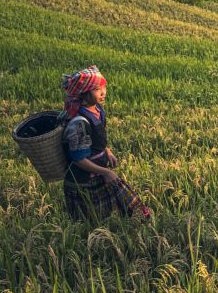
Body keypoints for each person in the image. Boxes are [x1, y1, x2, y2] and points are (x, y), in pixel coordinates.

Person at [59, 65, 153, 221]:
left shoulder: (97, 110)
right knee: (91, 220)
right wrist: (106, 172)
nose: (103, 92)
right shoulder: (79, 123)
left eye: (104, 87)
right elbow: (79, 159)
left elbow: (97, 138)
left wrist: (107, 151)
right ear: (83, 94)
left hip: (99, 170)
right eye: (97, 89)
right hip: (84, 180)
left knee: (126, 210)